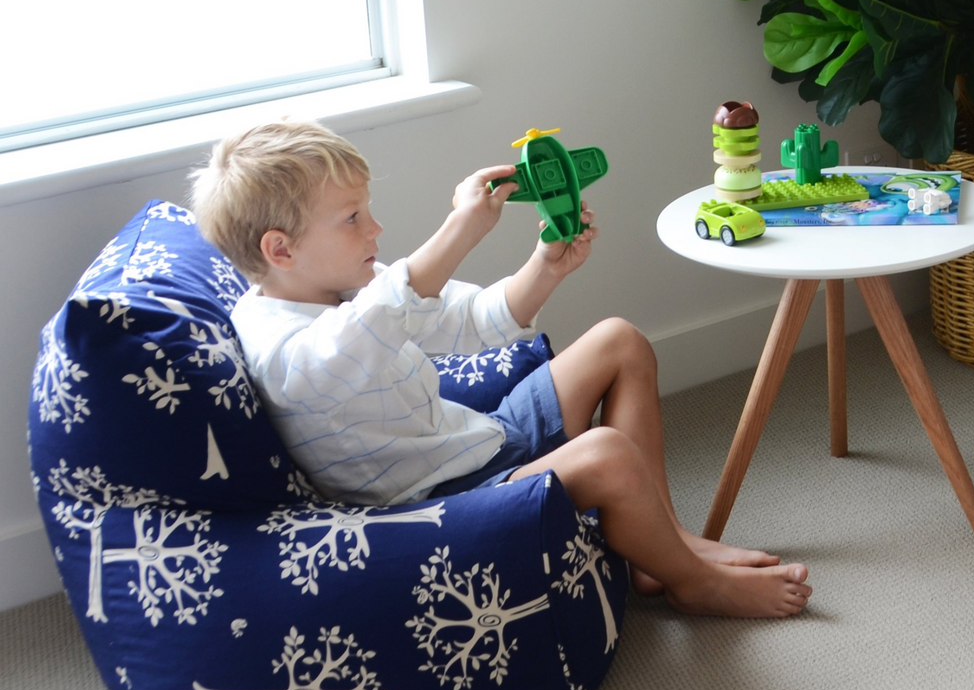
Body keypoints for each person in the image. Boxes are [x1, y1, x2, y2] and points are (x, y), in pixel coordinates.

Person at [189, 120, 811, 619]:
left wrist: (546, 266)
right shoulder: (284, 348)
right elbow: (368, 330)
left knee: (619, 341)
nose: (376, 228)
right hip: (440, 503)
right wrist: (461, 229)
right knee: (607, 454)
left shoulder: (351, 286)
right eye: (352, 218)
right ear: (281, 249)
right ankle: (694, 581)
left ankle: (661, 550)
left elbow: (467, 320)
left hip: (478, 442)